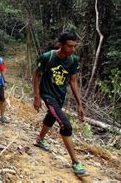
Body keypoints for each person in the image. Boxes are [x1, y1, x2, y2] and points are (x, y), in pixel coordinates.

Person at [32, 32, 86, 176]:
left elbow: (73, 81)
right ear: (60, 44)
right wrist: (37, 97)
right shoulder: (47, 57)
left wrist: (79, 104)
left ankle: (40, 140)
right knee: (66, 125)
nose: (72, 49)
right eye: (69, 46)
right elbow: (37, 75)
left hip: (60, 96)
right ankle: (76, 162)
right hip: (47, 95)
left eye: (75, 46)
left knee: (51, 117)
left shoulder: (73, 60)